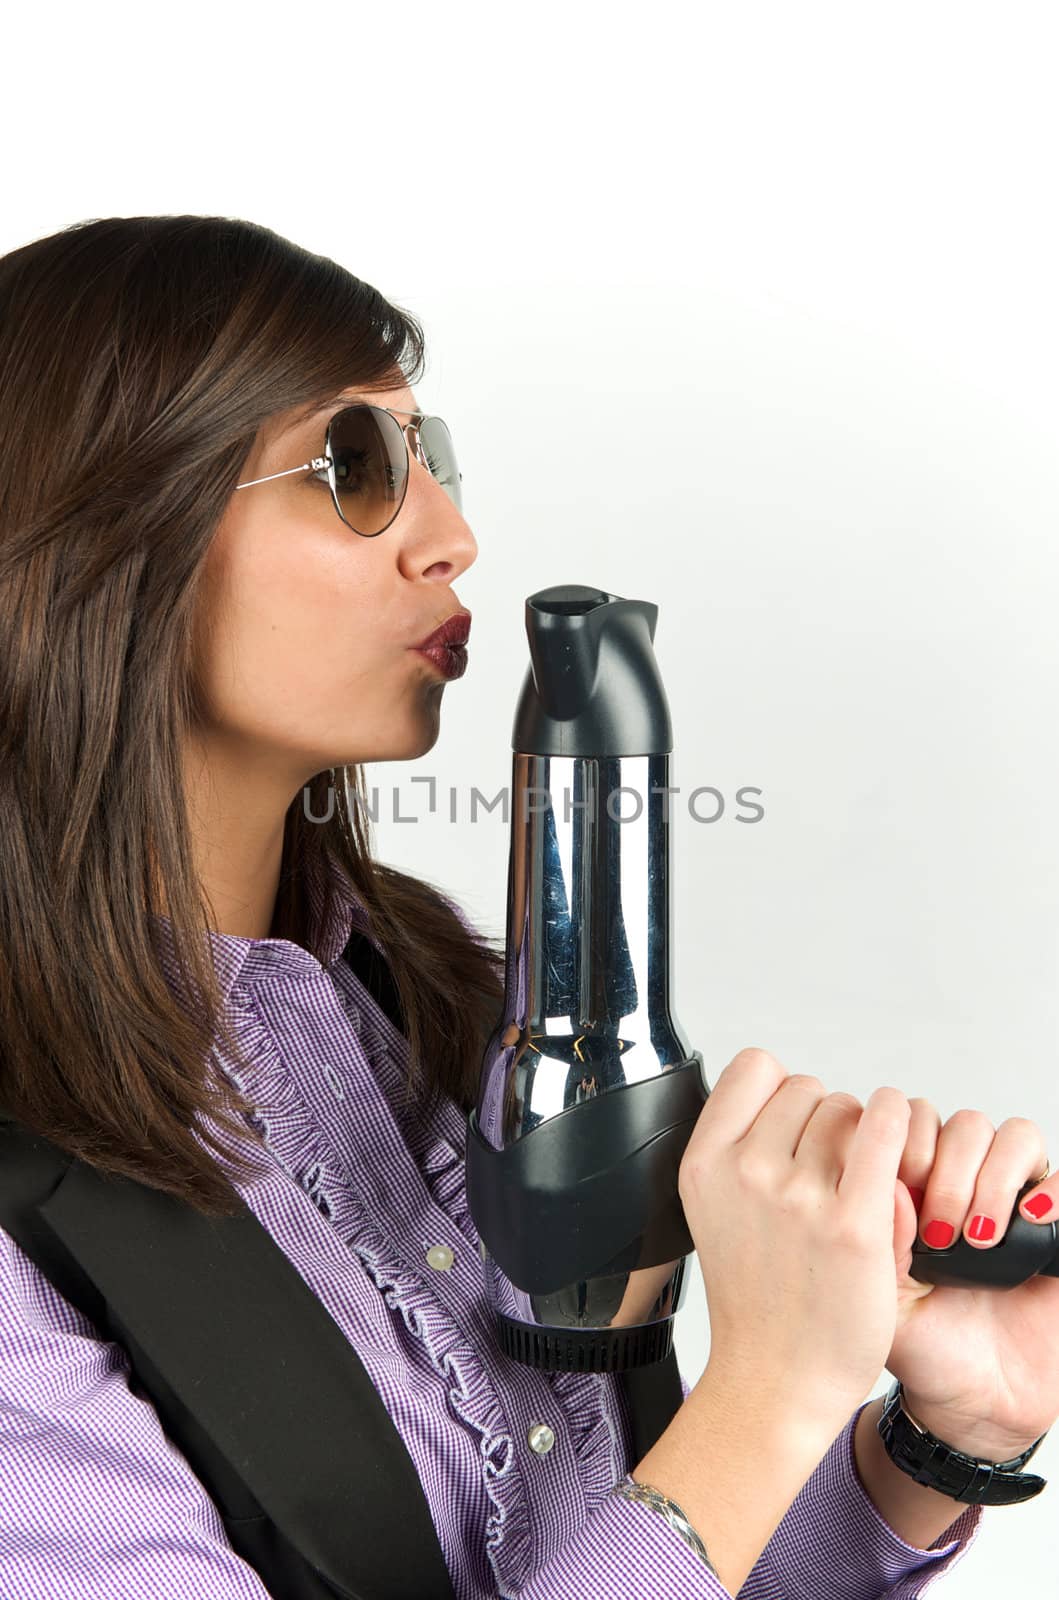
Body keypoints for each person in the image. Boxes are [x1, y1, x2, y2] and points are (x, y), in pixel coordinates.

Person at [0, 214, 1054, 1599]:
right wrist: (772, 1388)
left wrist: (940, 1436)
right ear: (105, 527)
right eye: (357, 469)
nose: (453, 539)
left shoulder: (434, 1018)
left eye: (431, 459)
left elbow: (628, 1560)